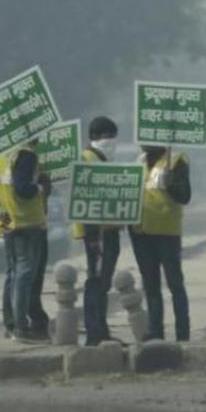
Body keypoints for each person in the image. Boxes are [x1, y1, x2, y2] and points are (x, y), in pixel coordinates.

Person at [0, 141, 51, 343]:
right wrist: (41, 187)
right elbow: (23, 189)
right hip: (28, 224)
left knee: (12, 274)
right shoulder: (25, 155)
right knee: (25, 274)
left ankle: (11, 325)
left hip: (8, 224)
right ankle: (22, 328)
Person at [129, 145, 192, 342]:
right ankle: (156, 332)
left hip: (167, 232)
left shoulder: (176, 160)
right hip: (141, 232)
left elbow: (185, 196)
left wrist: (170, 182)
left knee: (175, 284)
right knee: (150, 285)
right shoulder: (138, 162)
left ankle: (182, 333)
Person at [73, 116, 122, 346]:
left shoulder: (101, 159)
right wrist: (92, 235)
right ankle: (95, 332)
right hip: (97, 233)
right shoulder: (88, 159)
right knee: (96, 281)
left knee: (103, 282)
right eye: (107, 136)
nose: (111, 141)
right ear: (95, 138)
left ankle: (101, 330)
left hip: (107, 229)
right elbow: (85, 195)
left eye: (113, 137)